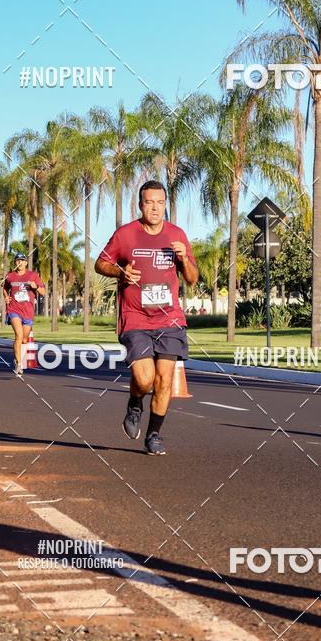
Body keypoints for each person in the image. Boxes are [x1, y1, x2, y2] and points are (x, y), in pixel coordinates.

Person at [95, 180, 198, 455]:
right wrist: (120, 272)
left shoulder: (177, 234)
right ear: (141, 205)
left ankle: (154, 435)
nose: (155, 208)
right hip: (135, 317)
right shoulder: (126, 234)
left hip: (170, 318)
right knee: (144, 378)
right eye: (149, 202)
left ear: (165, 204)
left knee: (164, 379)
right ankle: (134, 402)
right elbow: (100, 262)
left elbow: (192, 278)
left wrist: (184, 259)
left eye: (160, 202)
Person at [2, 253, 45, 376]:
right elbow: (4, 288)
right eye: (17, 260)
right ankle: (19, 365)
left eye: (22, 260)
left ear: (26, 263)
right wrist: (6, 297)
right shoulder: (10, 276)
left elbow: (43, 291)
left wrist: (35, 286)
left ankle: (17, 357)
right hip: (14, 310)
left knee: (25, 340)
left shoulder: (33, 275)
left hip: (28, 312)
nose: (19, 262)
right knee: (19, 336)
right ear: (15, 263)